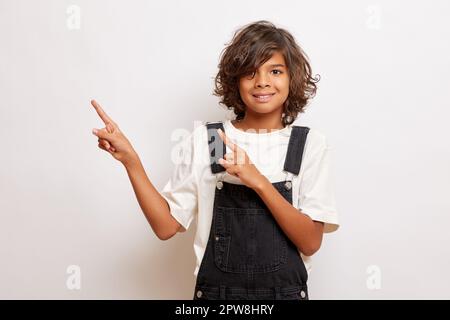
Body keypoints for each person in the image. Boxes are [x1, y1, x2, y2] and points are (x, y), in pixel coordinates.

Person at [91, 20, 339, 300]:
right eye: (250, 73)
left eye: (275, 71)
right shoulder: (210, 140)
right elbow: (165, 227)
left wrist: (257, 181)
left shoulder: (307, 145)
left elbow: (311, 241)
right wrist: (131, 161)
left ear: (292, 78)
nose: (262, 82)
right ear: (235, 80)